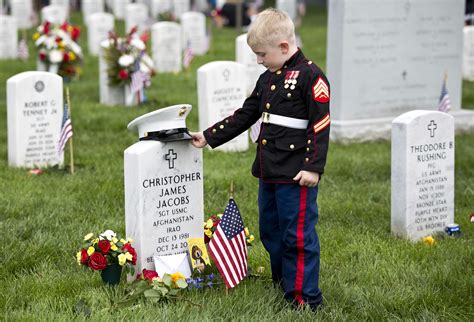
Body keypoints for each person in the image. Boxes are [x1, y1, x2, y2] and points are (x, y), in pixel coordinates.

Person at [190, 8, 330, 310]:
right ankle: (284, 284)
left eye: (262, 54)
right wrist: (209, 135)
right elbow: (246, 114)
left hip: (296, 173)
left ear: (283, 46)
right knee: (271, 231)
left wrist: (313, 168)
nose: (258, 60)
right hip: (269, 170)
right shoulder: (267, 78)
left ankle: (305, 298)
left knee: (298, 236)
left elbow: (320, 124)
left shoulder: (311, 76)